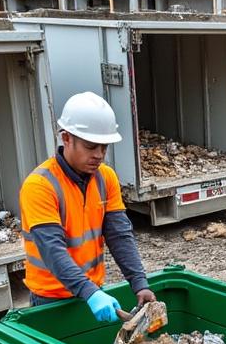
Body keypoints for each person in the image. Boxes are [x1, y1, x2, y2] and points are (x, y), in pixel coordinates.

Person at [20, 92, 155, 320]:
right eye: (91, 146)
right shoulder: (40, 185)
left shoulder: (106, 177)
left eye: (104, 147)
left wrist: (140, 283)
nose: (99, 155)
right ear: (66, 138)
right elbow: (52, 250)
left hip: (91, 290)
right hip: (50, 298)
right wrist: (90, 292)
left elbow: (119, 235)